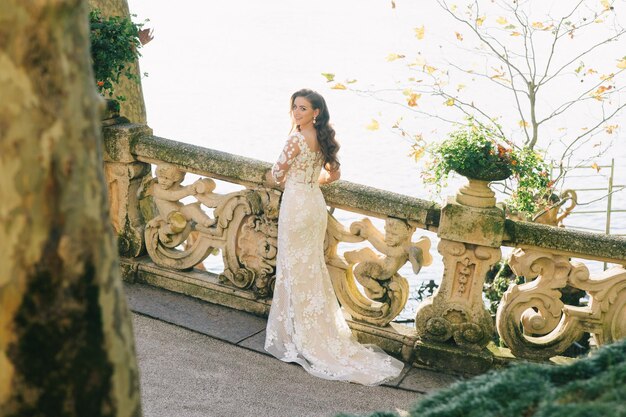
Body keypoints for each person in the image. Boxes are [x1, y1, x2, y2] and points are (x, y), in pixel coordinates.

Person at [264, 89, 404, 386]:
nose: (296, 113)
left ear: (315, 111)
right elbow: (334, 175)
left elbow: (276, 173)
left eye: (302, 108)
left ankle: (296, 334)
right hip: (313, 203)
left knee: (294, 266)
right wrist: (311, 180)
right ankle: (311, 331)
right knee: (309, 267)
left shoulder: (296, 138)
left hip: (297, 205)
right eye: (294, 108)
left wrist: (283, 179)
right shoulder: (322, 137)